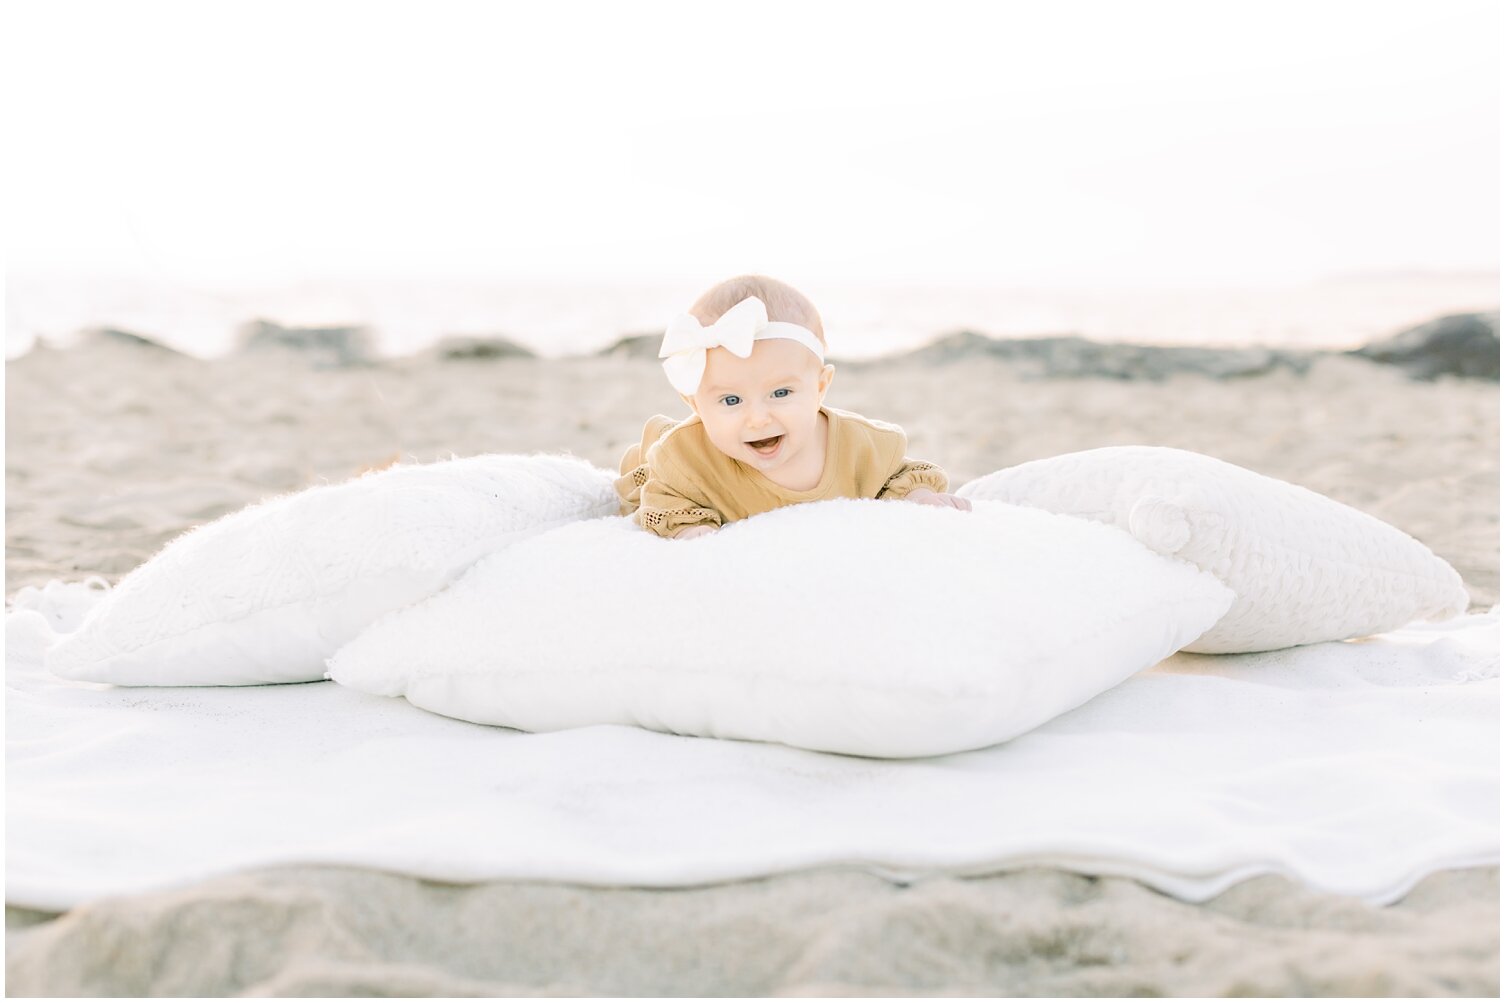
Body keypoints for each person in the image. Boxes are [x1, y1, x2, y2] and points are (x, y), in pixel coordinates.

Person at [616, 274, 972, 539]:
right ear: (694, 402)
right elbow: (666, 501)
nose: (758, 418)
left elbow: (899, 476)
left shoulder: (859, 445)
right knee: (653, 461)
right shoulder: (684, 459)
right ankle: (654, 437)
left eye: (781, 393)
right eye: (731, 400)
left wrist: (919, 496)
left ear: (820, 387)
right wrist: (690, 532)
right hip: (665, 457)